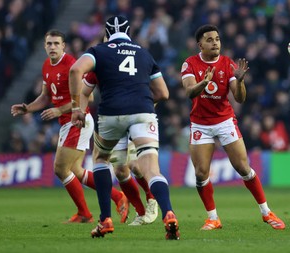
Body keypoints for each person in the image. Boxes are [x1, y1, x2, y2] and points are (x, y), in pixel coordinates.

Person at [69, 16, 179, 239]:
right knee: (150, 170)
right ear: (129, 32)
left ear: (107, 34)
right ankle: (168, 213)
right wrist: (144, 108)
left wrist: (75, 109)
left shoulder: (99, 51)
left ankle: (105, 220)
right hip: (143, 112)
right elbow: (164, 93)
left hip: (111, 114)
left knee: (100, 160)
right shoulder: (143, 52)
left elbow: (75, 71)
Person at [10, 29, 128, 224]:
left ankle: (84, 213)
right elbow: (46, 96)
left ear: (64, 46)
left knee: (60, 169)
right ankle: (117, 196)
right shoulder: (47, 65)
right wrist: (28, 108)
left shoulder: (72, 65)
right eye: (49, 44)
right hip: (67, 122)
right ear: (44, 46)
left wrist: (59, 110)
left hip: (78, 121)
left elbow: (88, 97)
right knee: (76, 170)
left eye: (57, 43)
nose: (53, 47)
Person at [181, 24, 285, 230]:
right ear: (200, 44)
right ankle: (213, 218)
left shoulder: (227, 64)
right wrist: (204, 83)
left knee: (243, 168)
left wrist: (240, 81)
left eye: (217, 39)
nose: (215, 43)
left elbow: (239, 98)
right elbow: (189, 92)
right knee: (201, 174)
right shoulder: (190, 63)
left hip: (224, 121)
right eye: (209, 40)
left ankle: (266, 212)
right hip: (201, 123)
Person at [83, 72, 159, 226]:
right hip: (113, 121)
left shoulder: (133, 61)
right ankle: (141, 212)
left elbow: (157, 90)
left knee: (135, 166)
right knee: (119, 170)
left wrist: (146, 109)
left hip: (135, 119)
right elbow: (85, 92)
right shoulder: (100, 64)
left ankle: (152, 199)